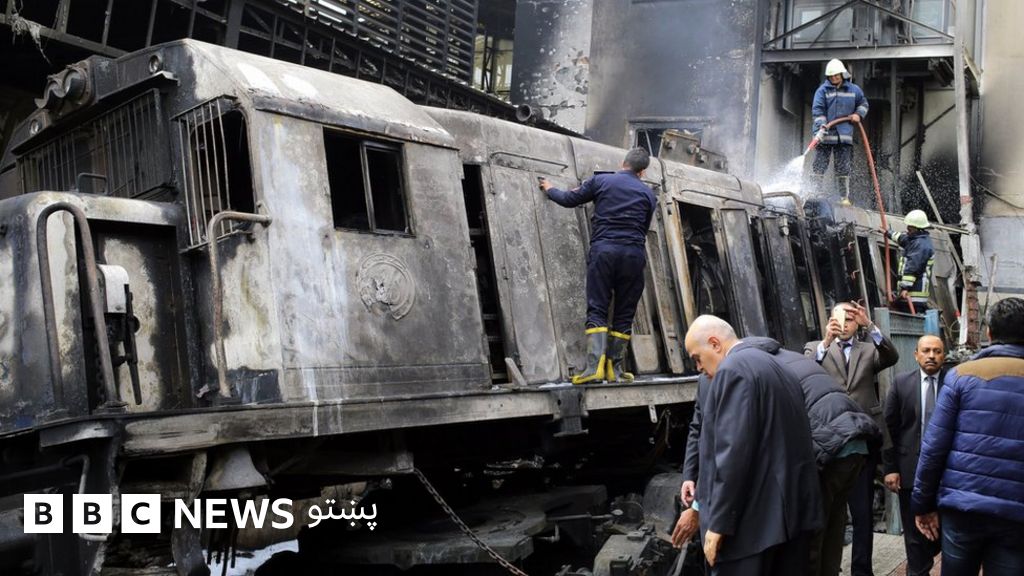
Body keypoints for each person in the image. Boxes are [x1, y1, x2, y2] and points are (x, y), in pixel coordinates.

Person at [683, 315, 823, 575]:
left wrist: (718, 524)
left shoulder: (732, 370)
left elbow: (733, 453)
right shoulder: (779, 366)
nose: (699, 367)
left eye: (697, 358)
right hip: (791, 519)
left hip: (752, 531)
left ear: (715, 343)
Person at [747, 336, 881, 576]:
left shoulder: (763, 370)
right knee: (834, 524)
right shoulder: (794, 358)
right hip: (855, 443)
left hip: (831, 448)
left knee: (813, 533)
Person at [912, 297, 1024, 575]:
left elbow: (934, 446)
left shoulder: (961, 376)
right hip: (1016, 514)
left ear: (989, 332)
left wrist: (923, 504)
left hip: (963, 507)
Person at [540, 148, 657, 384]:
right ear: (642, 172)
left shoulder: (601, 181)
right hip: (634, 255)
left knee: (598, 307)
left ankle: (594, 368)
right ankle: (616, 370)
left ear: (623, 163)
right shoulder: (648, 194)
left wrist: (549, 188)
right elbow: (644, 228)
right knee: (625, 311)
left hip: (604, 252)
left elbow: (569, 200)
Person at [804, 301, 898, 576]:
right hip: (827, 440)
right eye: (840, 319)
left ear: (857, 324)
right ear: (830, 320)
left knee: (862, 512)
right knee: (828, 512)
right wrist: (826, 340)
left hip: (861, 439)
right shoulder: (815, 348)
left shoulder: (868, 349)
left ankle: (861, 570)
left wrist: (870, 325)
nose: (844, 325)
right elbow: (803, 371)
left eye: (850, 320)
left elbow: (891, 357)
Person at [882, 335, 947, 576]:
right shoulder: (901, 383)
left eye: (937, 351)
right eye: (926, 351)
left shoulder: (954, 382)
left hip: (947, 474)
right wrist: (890, 468)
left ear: (944, 356)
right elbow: (889, 427)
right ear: (916, 355)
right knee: (914, 536)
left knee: (945, 532)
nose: (931, 356)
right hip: (910, 471)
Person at [810, 58, 869, 206]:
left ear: (842, 74)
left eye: (836, 75)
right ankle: (815, 193)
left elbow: (863, 103)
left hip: (844, 136)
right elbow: (818, 111)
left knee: (843, 168)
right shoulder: (822, 91)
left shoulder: (854, 90)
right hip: (825, 136)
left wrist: (858, 114)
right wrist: (822, 126)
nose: (834, 78)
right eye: (831, 76)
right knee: (819, 166)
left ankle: (844, 198)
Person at [886, 210, 935, 314]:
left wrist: (905, 288)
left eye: (910, 229)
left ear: (918, 229)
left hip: (914, 296)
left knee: (912, 321)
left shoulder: (921, 246)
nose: (907, 231)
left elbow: (913, 268)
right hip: (910, 295)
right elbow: (902, 239)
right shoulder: (916, 240)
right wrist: (888, 233)